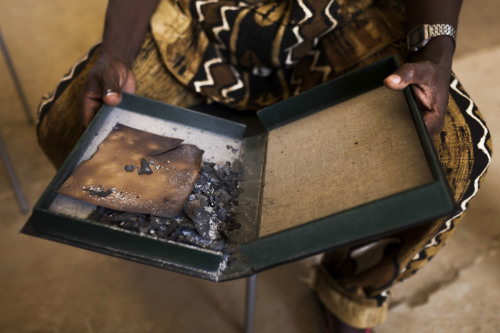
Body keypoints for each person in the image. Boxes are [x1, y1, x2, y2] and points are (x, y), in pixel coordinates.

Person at [37, 0, 491, 331]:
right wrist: (115, 54)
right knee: (73, 128)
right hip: (203, 22)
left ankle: (350, 281)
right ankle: (193, 225)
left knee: (451, 156)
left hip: (345, 20)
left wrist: (434, 53)